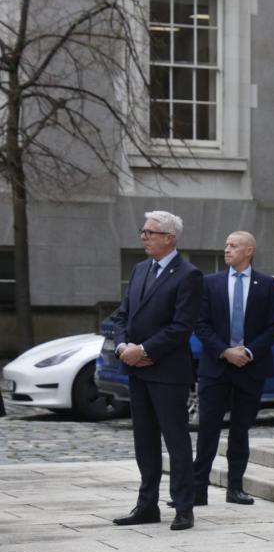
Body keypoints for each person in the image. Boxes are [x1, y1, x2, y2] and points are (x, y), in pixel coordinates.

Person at [111, 211, 203, 531]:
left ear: (169, 238)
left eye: (150, 232)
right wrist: (124, 348)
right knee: (144, 441)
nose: (143, 237)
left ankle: (183, 507)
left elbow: (181, 326)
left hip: (167, 373)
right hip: (138, 372)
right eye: (143, 231)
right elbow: (122, 317)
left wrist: (145, 350)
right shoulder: (139, 270)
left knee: (175, 441)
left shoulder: (188, 274)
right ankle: (147, 505)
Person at [190, 231, 274, 507]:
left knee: (240, 430)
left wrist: (249, 351)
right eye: (226, 245)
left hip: (250, 368)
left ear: (249, 251)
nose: (227, 249)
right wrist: (225, 351)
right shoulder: (210, 283)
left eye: (233, 245)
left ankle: (235, 488)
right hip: (216, 367)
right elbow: (200, 324)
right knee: (208, 429)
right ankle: (197, 490)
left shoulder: (267, 284)